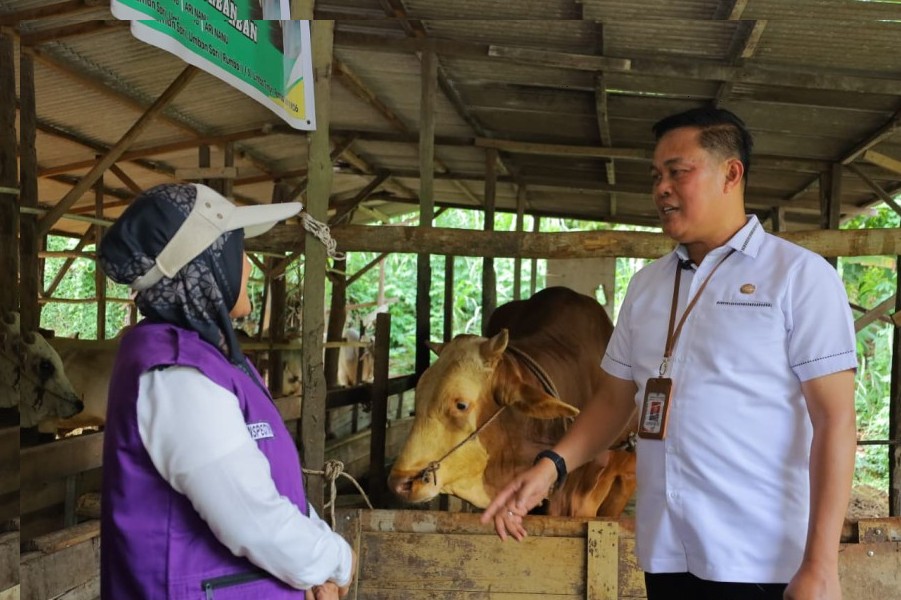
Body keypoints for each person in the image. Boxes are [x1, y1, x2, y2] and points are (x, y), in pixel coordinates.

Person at [482, 107, 857, 600]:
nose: (661, 188)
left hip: (760, 556)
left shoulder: (798, 277)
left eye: (678, 172)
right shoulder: (648, 286)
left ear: (731, 174)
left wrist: (821, 566)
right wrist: (551, 466)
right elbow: (615, 399)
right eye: (656, 176)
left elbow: (835, 421)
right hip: (667, 549)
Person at [98, 183, 355, 600]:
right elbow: (253, 521)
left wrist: (312, 560)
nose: (248, 266)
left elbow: (266, 482)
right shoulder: (179, 376)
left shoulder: (211, 358)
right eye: (237, 250)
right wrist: (337, 560)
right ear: (206, 265)